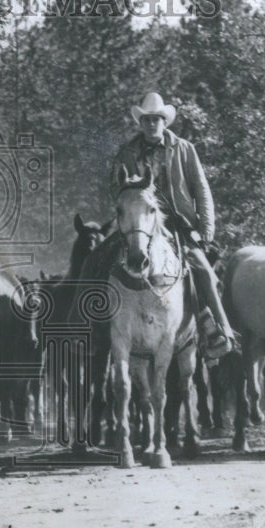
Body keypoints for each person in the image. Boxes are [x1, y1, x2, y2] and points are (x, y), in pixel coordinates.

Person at [108, 92, 237, 358]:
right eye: (146, 120)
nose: (151, 124)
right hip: (140, 222)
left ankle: (217, 330)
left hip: (178, 224)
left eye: (156, 119)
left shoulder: (183, 148)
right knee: (98, 260)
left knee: (203, 270)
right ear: (140, 123)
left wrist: (206, 228)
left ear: (164, 121)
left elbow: (201, 188)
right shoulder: (127, 152)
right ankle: (92, 325)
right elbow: (115, 188)